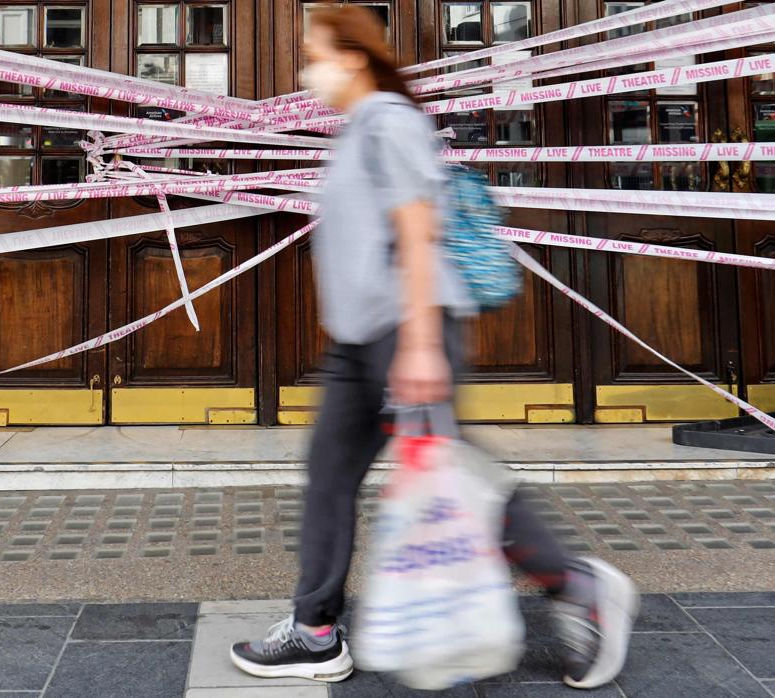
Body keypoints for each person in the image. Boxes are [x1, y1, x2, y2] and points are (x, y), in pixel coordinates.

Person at [229, 5, 638, 690]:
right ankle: (316, 630)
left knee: (455, 482)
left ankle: (580, 587)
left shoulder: (389, 120)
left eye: (313, 54)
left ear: (352, 57)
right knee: (330, 477)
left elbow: (417, 228)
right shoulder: (360, 127)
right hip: (361, 341)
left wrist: (418, 345)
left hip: (404, 332)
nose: (306, 69)